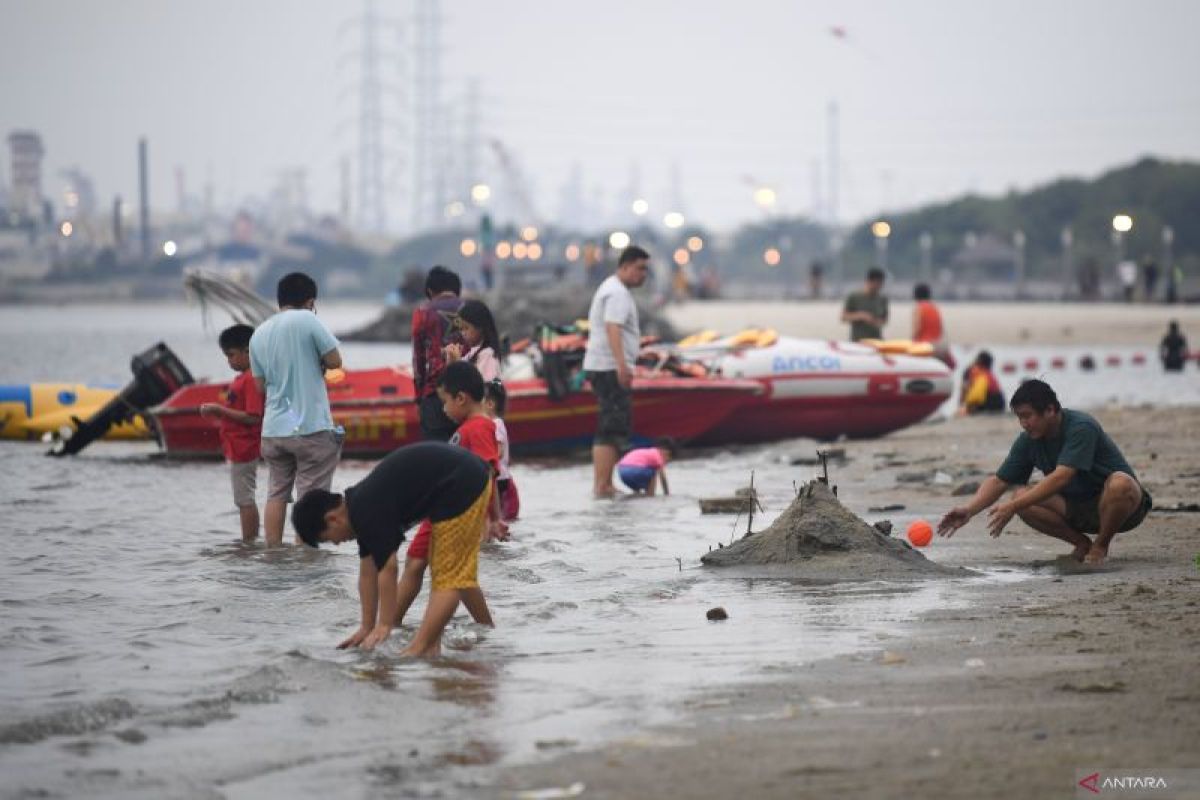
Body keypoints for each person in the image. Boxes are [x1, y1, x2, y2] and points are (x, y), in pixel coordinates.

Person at [293, 441, 495, 657]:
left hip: (463, 483)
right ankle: (485, 634)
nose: (335, 543)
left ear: (332, 519)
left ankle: (419, 648)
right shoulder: (359, 508)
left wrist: (385, 625)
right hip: (458, 481)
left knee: (449, 577)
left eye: (328, 539)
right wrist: (366, 626)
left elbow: (388, 568)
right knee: (452, 572)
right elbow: (368, 573)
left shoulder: (366, 510)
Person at [937, 380, 1151, 566]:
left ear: (1050, 410)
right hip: (1077, 509)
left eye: (1027, 416)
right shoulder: (1029, 439)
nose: (1023, 423)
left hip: (1123, 508)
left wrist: (1012, 507)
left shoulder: (1081, 427)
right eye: (1019, 417)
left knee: (1120, 483)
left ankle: (1100, 546)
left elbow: (1062, 476)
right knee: (1020, 496)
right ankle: (1081, 543)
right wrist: (969, 510)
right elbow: (999, 481)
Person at [392, 362, 506, 629]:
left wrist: (494, 518)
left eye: (445, 402)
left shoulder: (478, 427)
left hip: (455, 512)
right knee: (419, 563)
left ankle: (391, 623)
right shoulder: (470, 426)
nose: (443, 409)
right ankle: (392, 622)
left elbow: (487, 473)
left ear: (461, 398)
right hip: (443, 508)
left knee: (451, 574)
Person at [249, 272, 343, 547]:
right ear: (310, 301)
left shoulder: (259, 333)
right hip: (310, 427)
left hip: (274, 430)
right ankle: (305, 558)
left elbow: (259, 386)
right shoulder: (308, 320)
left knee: (276, 493)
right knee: (311, 498)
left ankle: (274, 553)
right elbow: (335, 360)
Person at [582, 245, 650, 497]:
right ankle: (602, 485)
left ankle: (604, 483)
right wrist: (622, 364)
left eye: (646, 269)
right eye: (640, 268)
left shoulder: (613, 288)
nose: (643, 274)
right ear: (625, 266)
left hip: (606, 364)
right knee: (609, 427)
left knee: (612, 425)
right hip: (609, 366)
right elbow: (613, 328)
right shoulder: (617, 293)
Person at [200, 324, 264, 543]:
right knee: (243, 498)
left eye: (231, 355)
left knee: (244, 499)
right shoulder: (243, 378)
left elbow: (254, 416)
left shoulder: (251, 378)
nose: (229, 361)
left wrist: (219, 410)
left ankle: (249, 544)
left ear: (248, 351)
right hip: (236, 446)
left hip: (245, 447)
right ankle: (250, 542)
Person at [412, 265, 464, 441]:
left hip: (433, 393)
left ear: (430, 290)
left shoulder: (423, 312)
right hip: (465, 394)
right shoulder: (470, 310)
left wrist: (419, 399)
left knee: (436, 455)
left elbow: (418, 360)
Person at [484, 379, 520, 522]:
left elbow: (498, 452)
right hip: (502, 475)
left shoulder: (496, 423)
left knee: (496, 515)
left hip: (500, 478)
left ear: (490, 404)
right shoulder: (494, 423)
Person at [446, 298, 502, 382]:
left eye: (466, 328)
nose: (463, 333)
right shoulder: (470, 355)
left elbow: (487, 387)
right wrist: (451, 363)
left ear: (480, 327)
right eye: (461, 329)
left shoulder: (488, 355)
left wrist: (459, 365)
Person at [841, 268, 889, 342]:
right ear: (869, 281)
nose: (879, 286)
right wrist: (861, 316)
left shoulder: (882, 299)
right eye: (877, 283)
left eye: (881, 283)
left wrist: (875, 321)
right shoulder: (854, 297)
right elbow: (844, 317)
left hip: (876, 340)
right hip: (858, 340)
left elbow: (884, 320)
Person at [911, 283, 952, 366]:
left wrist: (911, 343)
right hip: (938, 347)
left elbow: (917, 329)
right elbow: (941, 329)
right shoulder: (935, 308)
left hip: (925, 347)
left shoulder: (918, 308)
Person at [957, 350, 1005, 415]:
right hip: (999, 402)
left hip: (988, 402)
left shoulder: (976, 373)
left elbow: (974, 396)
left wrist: (962, 406)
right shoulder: (988, 374)